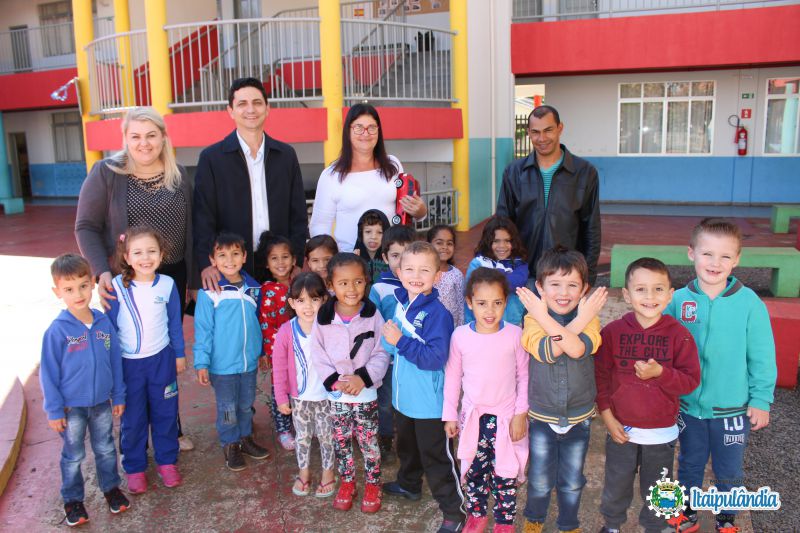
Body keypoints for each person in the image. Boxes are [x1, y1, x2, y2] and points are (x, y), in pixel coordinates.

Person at [74, 106, 194, 451]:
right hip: (125, 279)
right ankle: (134, 433)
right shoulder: (107, 173)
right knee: (131, 355)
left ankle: (170, 428)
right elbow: (86, 226)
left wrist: (192, 279)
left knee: (164, 352)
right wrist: (102, 271)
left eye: (151, 135)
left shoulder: (179, 175)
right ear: (125, 138)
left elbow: (192, 227)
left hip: (170, 276)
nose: (144, 143)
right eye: (136, 136)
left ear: (163, 138)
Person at [664, 218, 776, 533]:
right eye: (707, 254)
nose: (715, 263)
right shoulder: (677, 300)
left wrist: (761, 399)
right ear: (691, 253)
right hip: (688, 407)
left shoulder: (749, 303)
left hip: (732, 410)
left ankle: (726, 516)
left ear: (737, 259)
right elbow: (662, 346)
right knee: (689, 463)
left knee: (728, 469)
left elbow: (762, 356)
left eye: (725, 256)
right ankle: (687, 512)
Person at [595, 258, 700, 533]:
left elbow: (690, 381)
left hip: (661, 434)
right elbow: (600, 378)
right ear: (627, 295)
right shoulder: (612, 333)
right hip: (621, 430)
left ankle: (656, 526)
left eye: (658, 289)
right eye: (641, 289)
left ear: (670, 294)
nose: (650, 296)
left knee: (659, 489)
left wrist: (660, 373)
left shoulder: (679, 335)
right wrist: (607, 417)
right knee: (616, 484)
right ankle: (612, 525)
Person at [516, 246, 607, 533]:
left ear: (584, 289)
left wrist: (559, 316)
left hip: (579, 417)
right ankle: (534, 519)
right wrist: (542, 315)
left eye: (572, 285)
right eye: (554, 284)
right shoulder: (532, 320)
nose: (563, 293)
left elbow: (577, 349)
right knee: (540, 480)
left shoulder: (591, 319)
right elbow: (548, 351)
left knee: (572, 481)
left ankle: (568, 524)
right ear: (540, 288)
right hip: (542, 417)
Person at [380, 242, 466, 533]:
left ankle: (454, 511)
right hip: (404, 398)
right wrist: (390, 341)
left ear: (437, 276)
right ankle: (409, 484)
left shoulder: (437, 314)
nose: (416, 276)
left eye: (424, 270)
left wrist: (400, 341)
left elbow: (434, 358)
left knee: (437, 458)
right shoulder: (401, 303)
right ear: (399, 272)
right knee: (407, 447)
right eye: (410, 269)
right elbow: (391, 346)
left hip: (429, 404)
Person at [194, 77, 309, 291]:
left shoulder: (286, 155)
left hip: (279, 268)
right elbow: (203, 218)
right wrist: (205, 263)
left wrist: (297, 260)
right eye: (242, 104)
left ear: (267, 108)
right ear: (230, 111)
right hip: (231, 267)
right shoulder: (211, 158)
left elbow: (298, 216)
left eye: (257, 103)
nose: (250, 109)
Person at [40, 254, 129, 527]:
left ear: (92, 283)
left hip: (102, 402)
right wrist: (54, 410)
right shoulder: (57, 331)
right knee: (73, 455)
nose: (78, 294)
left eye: (82, 286)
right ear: (57, 292)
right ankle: (73, 501)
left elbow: (115, 359)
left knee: (106, 448)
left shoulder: (103, 323)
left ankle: (111, 489)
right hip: (72, 408)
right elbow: (48, 373)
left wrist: (119, 394)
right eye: (69, 289)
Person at [443, 267, 529, 533]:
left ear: (506, 302)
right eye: (482, 303)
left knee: (505, 473)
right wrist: (450, 415)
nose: (490, 311)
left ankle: (504, 522)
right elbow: (452, 377)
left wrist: (521, 414)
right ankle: (477, 515)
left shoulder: (515, 334)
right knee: (475, 471)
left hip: (507, 418)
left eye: (497, 303)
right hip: (473, 419)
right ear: (469, 303)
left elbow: (525, 376)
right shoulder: (460, 336)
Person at [107, 226, 185, 493]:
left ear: (161, 255)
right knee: (133, 418)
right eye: (138, 252)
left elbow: (175, 322)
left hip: (162, 361)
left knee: (166, 413)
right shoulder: (116, 287)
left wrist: (179, 354)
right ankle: (135, 467)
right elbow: (109, 329)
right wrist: (111, 367)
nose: (145, 258)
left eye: (152, 251)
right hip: (129, 365)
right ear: (127, 257)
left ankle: (167, 461)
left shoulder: (167, 284)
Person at [311, 253, 391, 513]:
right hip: (337, 396)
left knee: (368, 442)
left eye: (358, 281)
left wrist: (363, 378)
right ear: (331, 286)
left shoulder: (373, 315)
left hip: (365, 393)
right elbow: (318, 353)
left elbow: (382, 351)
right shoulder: (323, 318)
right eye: (343, 283)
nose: (352, 289)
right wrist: (333, 381)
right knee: (342, 441)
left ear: (366, 281)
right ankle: (347, 482)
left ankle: (373, 484)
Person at [496, 105, 601, 285]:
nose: (542, 138)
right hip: (523, 273)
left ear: (560, 128)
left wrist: (588, 275)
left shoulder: (584, 172)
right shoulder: (514, 172)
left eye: (548, 130)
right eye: (535, 132)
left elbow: (591, 228)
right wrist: (503, 270)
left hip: (566, 274)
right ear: (528, 132)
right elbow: (502, 224)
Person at [193, 232, 270, 471]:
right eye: (222, 255)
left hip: (248, 363)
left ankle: (245, 438)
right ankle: (230, 443)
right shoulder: (210, 292)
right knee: (228, 408)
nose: (229, 260)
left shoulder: (254, 288)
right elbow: (203, 330)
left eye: (235, 254)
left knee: (246, 404)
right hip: (222, 365)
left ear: (244, 256)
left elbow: (259, 323)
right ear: (212, 260)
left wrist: (261, 352)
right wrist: (201, 362)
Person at [309, 103, 427, 252]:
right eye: (358, 127)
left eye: (372, 127)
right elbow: (319, 226)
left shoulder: (393, 165)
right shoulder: (331, 175)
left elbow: (405, 213)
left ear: (378, 131)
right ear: (348, 131)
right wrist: (334, 259)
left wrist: (420, 212)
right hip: (351, 259)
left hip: (391, 257)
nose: (365, 134)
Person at [272, 272, 336, 498]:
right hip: (300, 398)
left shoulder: (331, 328)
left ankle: (328, 473)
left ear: (324, 300)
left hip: (327, 397)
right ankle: (304, 472)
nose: (308, 306)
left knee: (327, 437)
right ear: (292, 303)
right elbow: (279, 368)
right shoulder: (286, 331)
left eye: (314, 299)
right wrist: (281, 398)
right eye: (301, 300)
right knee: (302, 437)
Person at [367, 224, 417, 460]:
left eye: (407, 255)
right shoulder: (379, 288)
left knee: (409, 400)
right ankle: (386, 438)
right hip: (387, 359)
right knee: (385, 402)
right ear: (385, 257)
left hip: (412, 357)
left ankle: (410, 440)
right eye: (395, 255)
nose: (401, 262)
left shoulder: (420, 286)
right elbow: (372, 324)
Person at [255, 231, 296, 450]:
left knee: (298, 387)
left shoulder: (299, 285)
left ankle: (299, 423)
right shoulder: (267, 291)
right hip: (279, 353)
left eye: (285, 257)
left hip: (301, 351)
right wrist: (269, 353)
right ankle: (283, 430)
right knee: (280, 389)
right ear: (267, 263)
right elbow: (266, 325)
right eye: (274, 258)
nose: (281, 262)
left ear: (294, 260)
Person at [464, 216, 528, 326]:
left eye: (507, 241)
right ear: (487, 242)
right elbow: (469, 294)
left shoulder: (519, 263)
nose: (502, 246)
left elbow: (516, 283)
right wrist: (469, 323)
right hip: (482, 323)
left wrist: (490, 275)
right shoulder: (478, 263)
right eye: (496, 241)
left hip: (512, 322)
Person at [428, 225, 465, 328]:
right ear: (429, 245)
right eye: (439, 243)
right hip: (429, 325)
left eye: (449, 243)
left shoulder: (456, 275)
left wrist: (460, 329)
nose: (445, 247)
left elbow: (461, 305)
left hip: (451, 327)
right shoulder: (423, 273)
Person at [354, 209, 391, 282]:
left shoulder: (392, 258)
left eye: (380, 232)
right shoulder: (354, 258)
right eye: (368, 232)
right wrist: (353, 265)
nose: (373, 237)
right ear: (361, 234)